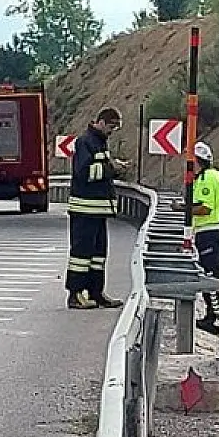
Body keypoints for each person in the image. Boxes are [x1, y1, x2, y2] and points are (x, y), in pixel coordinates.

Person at [65, 107, 128, 310]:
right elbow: (83, 172)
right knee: (81, 256)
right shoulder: (85, 142)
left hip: (98, 211)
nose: (112, 131)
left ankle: (96, 292)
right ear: (101, 122)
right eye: (111, 127)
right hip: (85, 210)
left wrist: (114, 166)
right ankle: (75, 294)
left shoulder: (100, 142)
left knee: (98, 255)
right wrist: (111, 169)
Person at [173, 141, 219, 333]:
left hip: (210, 233)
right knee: (210, 275)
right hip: (210, 232)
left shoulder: (206, 179)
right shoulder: (212, 176)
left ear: (198, 161)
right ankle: (212, 316)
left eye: (191, 162)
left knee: (210, 276)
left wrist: (183, 208)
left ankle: (215, 318)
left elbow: (204, 208)